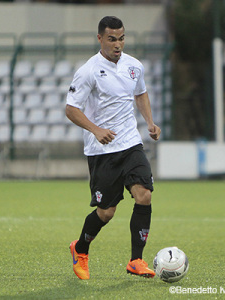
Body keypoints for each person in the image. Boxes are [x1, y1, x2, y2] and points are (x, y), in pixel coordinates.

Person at [66, 16, 161, 280]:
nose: (117, 44)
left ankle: (136, 260)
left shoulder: (134, 66)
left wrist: (150, 122)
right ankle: (80, 248)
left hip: (131, 143)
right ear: (100, 39)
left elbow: (140, 93)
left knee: (144, 195)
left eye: (121, 38)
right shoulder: (88, 70)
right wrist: (96, 130)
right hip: (102, 151)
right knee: (106, 212)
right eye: (111, 39)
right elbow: (71, 109)